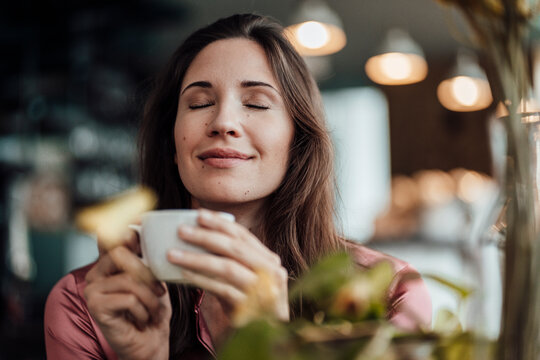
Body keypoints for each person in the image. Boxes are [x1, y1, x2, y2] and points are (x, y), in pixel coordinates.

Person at [44, 13, 431, 360]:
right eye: (198, 104)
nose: (223, 122)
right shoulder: (85, 304)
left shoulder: (388, 293)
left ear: (296, 145)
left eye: (257, 103)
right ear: (173, 146)